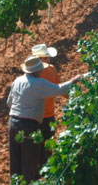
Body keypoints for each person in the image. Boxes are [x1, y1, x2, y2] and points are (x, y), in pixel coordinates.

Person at [7, 55, 81, 183]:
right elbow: (60, 89)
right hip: (29, 125)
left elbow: (9, 103)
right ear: (37, 71)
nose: (42, 71)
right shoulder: (38, 83)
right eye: (41, 69)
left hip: (13, 123)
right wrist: (74, 80)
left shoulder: (17, 81)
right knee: (29, 161)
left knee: (16, 159)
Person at [30, 43, 68, 167]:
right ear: (40, 60)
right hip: (44, 116)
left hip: (36, 116)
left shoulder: (31, 74)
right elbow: (60, 89)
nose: (49, 60)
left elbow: (59, 88)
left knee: (38, 147)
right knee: (45, 147)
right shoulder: (49, 70)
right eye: (46, 58)